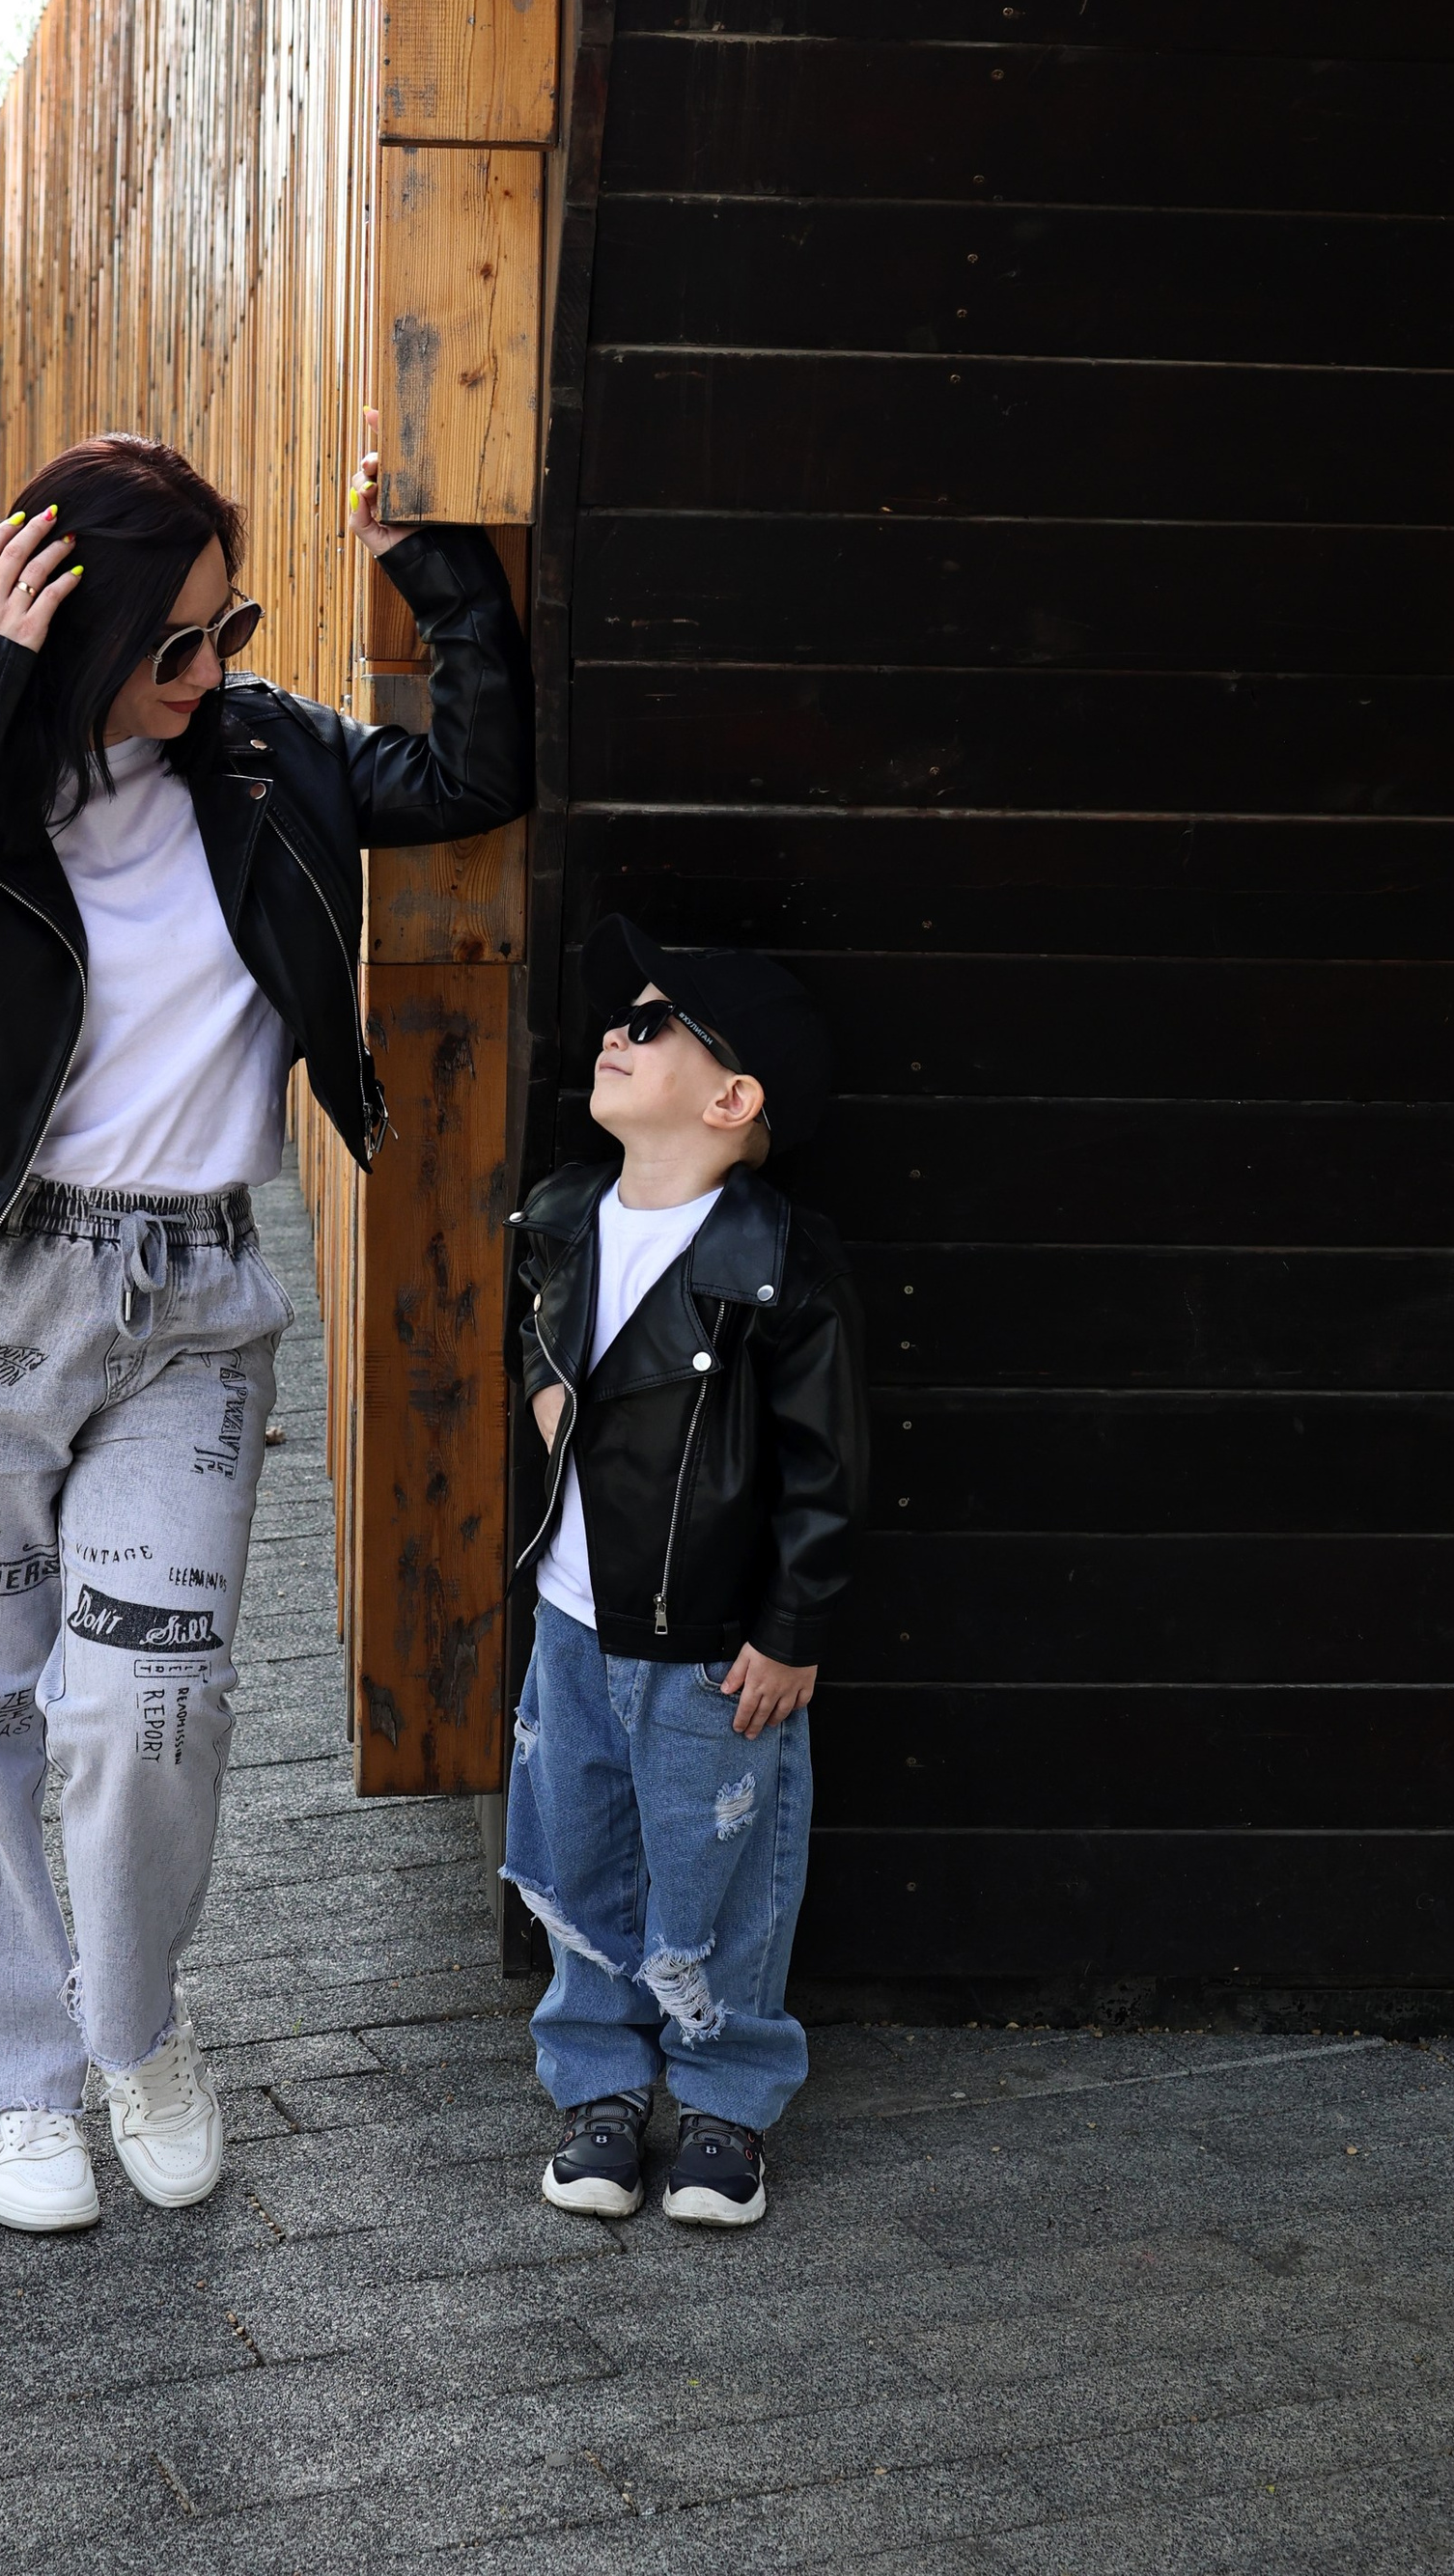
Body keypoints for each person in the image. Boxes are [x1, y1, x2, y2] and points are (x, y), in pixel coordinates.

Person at [0, 422, 531, 2233]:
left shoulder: (269, 752)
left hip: (191, 1312)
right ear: (80, 638)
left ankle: (133, 2028)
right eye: (178, 645)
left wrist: (437, 557)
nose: (216, 671)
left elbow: (474, 771)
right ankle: (6, 2084)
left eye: (235, 628)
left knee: (149, 1706)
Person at [503, 915, 866, 2229]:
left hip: (716, 1642)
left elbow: (826, 1467)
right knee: (580, 1852)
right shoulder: (559, 1220)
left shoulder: (774, 1262)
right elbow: (540, 1352)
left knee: (726, 1868)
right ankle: (599, 2084)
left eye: (650, 1023)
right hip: (571, 1622)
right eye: (623, 1015)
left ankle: (725, 2098)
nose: (615, 1029)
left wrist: (793, 1624)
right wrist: (546, 1394)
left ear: (731, 1097)